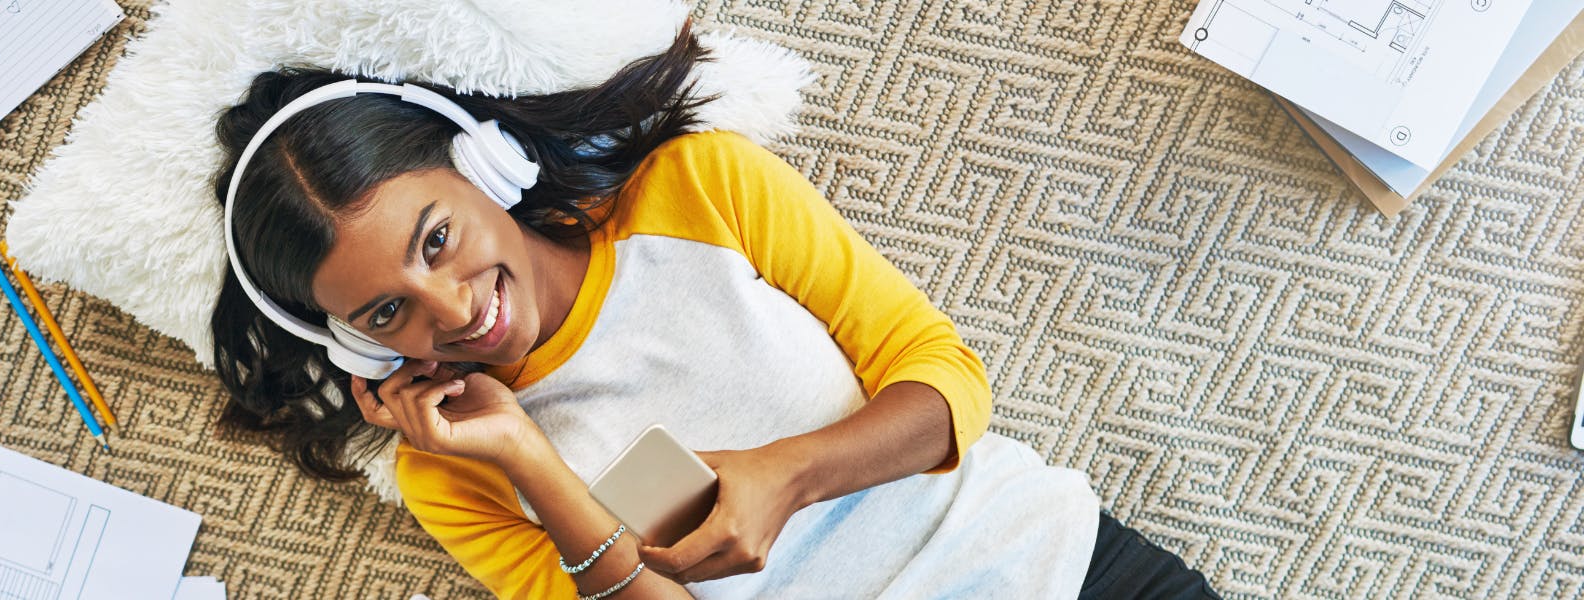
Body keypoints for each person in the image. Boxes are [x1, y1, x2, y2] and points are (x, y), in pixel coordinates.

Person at [209, 23, 1219, 600]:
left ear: (488, 165)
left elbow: (947, 382)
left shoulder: (700, 189)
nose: (452, 308)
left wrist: (786, 474)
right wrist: (529, 462)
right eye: (387, 313)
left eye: (438, 241)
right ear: (349, 340)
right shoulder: (450, 468)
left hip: (1053, 570)